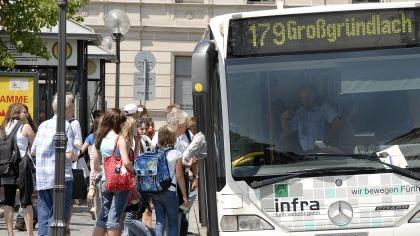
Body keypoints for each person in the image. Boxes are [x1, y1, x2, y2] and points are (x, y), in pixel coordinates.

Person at [31, 94, 76, 236]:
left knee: (44, 216)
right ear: (67, 108)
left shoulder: (43, 125)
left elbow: (33, 151)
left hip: (43, 177)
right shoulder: (65, 125)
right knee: (58, 217)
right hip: (61, 178)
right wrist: (76, 154)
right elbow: (68, 155)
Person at [92, 108, 133, 236]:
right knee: (114, 217)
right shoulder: (120, 139)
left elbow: (97, 163)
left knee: (103, 216)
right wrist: (135, 172)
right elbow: (126, 162)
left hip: (105, 180)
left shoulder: (101, 139)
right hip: (119, 181)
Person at [1, 103, 36, 236]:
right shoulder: (25, 126)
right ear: (16, 113)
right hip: (22, 166)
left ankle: (10, 233)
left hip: (6, 168)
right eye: (24, 112)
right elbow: (35, 148)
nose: (26, 114)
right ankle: (30, 234)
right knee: (26, 202)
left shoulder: (2, 128)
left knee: (8, 201)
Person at [152, 125, 189, 236]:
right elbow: (179, 176)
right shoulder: (176, 154)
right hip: (170, 192)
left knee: (159, 222)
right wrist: (184, 195)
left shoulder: (154, 153)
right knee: (173, 223)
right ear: (172, 137)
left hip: (156, 191)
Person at [281, 85, 342, 152]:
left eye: (307, 97)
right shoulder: (299, 112)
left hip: (323, 151)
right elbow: (288, 131)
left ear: (314, 96)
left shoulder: (323, 108)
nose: (305, 100)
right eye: (302, 98)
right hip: (306, 154)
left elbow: (338, 122)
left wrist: (326, 140)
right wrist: (283, 118)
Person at [167, 108, 198, 236]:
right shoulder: (164, 134)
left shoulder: (188, 136)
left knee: (181, 213)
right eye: (184, 123)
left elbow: (196, 157)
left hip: (183, 178)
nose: (186, 125)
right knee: (171, 216)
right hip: (169, 180)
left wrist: (195, 176)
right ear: (178, 123)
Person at [80, 110, 104, 220]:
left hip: (94, 171)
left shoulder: (91, 137)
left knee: (95, 197)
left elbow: (81, 150)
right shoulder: (106, 138)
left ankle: (94, 210)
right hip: (100, 170)